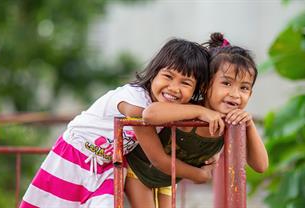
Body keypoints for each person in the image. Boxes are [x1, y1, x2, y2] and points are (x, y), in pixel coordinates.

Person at [19, 38, 214, 208]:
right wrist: (199, 175)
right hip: (74, 157)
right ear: (154, 72)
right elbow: (158, 158)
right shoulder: (134, 99)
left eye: (186, 83)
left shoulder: (169, 109)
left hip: (109, 168)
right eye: (168, 76)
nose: (174, 88)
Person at [124, 32, 269, 208]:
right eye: (226, 83)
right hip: (139, 171)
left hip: (168, 178)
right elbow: (150, 113)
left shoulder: (232, 122)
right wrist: (200, 112)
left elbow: (261, 165)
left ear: (250, 94)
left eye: (244, 88)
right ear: (206, 85)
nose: (235, 94)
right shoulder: (189, 109)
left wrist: (249, 124)